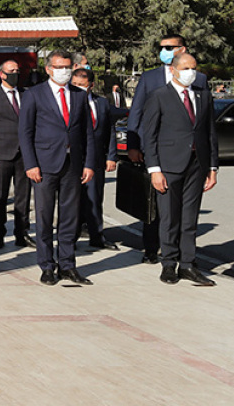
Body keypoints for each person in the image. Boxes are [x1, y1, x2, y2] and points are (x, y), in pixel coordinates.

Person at [125, 34, 209, 264]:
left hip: (187, 153)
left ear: (182, 48)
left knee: (184, 211)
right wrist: (134, 145)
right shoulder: (151, 78)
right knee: (155, 204)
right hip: (154, 150)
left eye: (170, 47)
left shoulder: (199, 80)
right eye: (161, 48)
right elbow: (137, 112)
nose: (164, 51)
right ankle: (152, 249)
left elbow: (204, 121)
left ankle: (183, 257)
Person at [18, 50, 97, 286]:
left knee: (70, 217)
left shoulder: (80, 96)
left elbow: (87, 134)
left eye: (68, 67)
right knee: (44, 217)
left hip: (72, 165)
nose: (64, 71)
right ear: (49, 69)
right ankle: (47, 265)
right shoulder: (34, 95)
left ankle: (68, 265)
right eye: (60, 67)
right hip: (44, 165)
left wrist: (89, 163)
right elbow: (25, 132)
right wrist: (31, 164)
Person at [141, 53, 218, 286]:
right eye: (185, 68)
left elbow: (210, 133)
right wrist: (154, 169)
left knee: (189, 217)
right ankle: (169, 263)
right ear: (173, 70)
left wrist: (212, 167)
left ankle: (188, 264)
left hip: (197, 164)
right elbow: (149, 135)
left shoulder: (203, 95)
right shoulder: (159, 96)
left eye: (193, 68)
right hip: (169, 164)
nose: (190, 72)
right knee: (170, 217)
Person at [0, 61, 32, 249]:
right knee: (0, 196)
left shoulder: (26, 94)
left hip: (25, 154)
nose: (15, 74)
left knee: (23, 196)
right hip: (1, 154)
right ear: (1, 74)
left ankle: (22, 233)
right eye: (11, 71)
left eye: (18, 70)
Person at [71, 68, 125, 250]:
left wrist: (111, 156)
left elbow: (109, 130)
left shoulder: (101, 103)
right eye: (75, 85)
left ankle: (97, 236)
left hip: (96, 159)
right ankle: (70, 238)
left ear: (91, 86)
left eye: (82, 85)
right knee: (73, 200)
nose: (78, 89)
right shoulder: (67, 103)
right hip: (74, 159)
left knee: (95, 198)